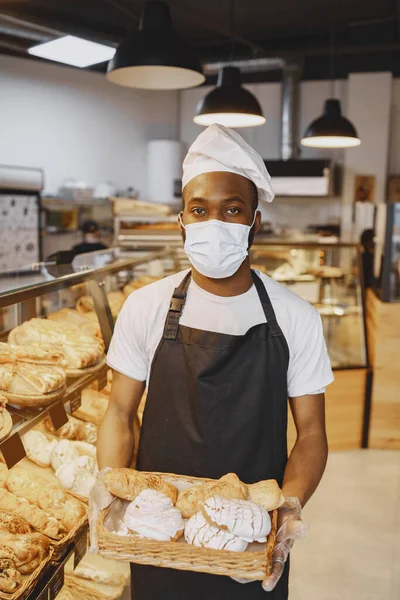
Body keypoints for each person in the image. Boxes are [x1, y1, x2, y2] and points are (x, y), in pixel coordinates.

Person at [96, 124, 334, 599]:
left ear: (255, 222)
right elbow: (119, 413)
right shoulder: (147, 307)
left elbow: (311, 434)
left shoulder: (295, 317)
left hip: (252, 536)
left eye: (232, 210)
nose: (215, 223)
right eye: (200, 210)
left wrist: (287, 509)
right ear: (181, 219)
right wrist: (108, 490)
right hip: (158, 528)